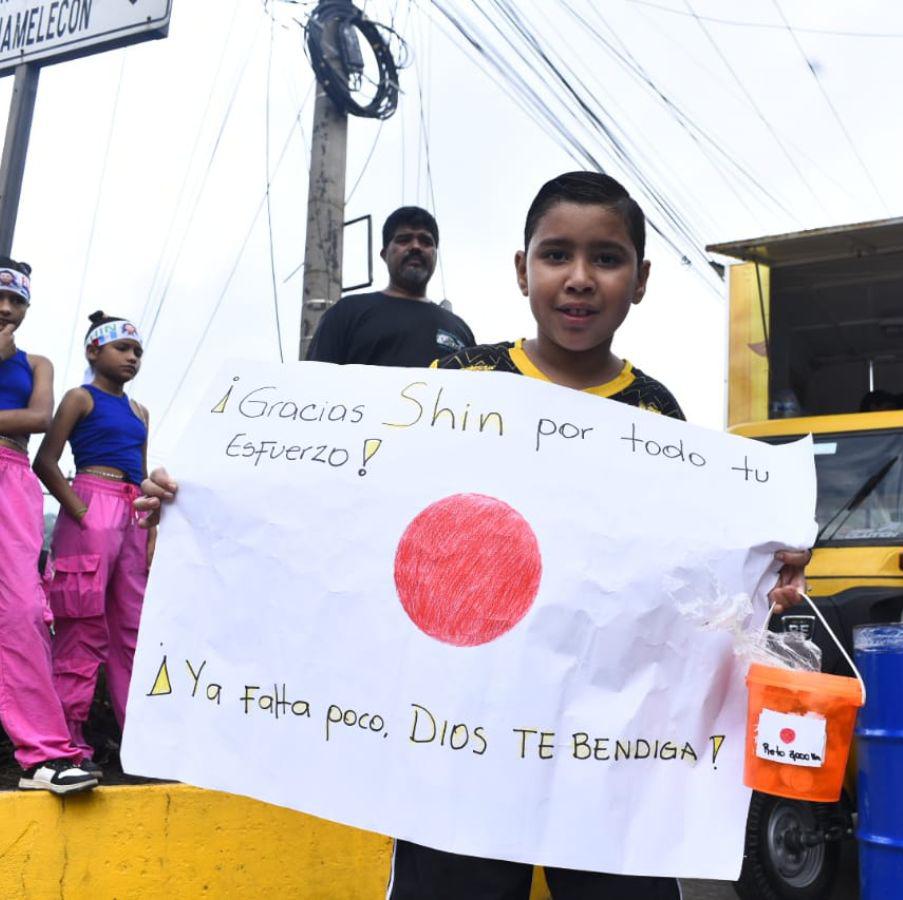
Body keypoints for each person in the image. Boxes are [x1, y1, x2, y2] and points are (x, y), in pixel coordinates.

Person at [138, 171, 811, 900]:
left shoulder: (660, 416)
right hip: (459, 750)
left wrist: (763, 577)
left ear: (641, 279)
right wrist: (200, 500)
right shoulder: (454, 383)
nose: (580, 279)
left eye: (606, 259)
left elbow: (691, 589)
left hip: (608, 758)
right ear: (522, 269)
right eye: (556, 255)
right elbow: (340, 509)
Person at [33, 311, 151, 772]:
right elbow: (46, 459)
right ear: (94, 351)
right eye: (123, 348)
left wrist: (150, 528)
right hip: (90, 500)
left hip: (134, 512)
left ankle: (141, 742)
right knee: (82, 625)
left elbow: (141, 475)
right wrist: (81, 511)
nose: (132, 357)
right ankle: (71, 743)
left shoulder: (140, 411)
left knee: (133, 630)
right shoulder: (79, 398)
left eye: (138, 351)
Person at [0, 258, 98, 794]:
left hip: (11, 478)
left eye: (18, 302)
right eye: (1, 298)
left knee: (20, 611)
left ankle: (44, 756)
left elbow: (38, 420)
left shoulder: (36, 364)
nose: (7, 309)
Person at [306, 206, 475, 367]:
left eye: (425, 241)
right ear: (384, 254)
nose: (416, 246)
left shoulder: (460, 331)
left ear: (435, 254)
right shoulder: (346, 314)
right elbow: (314, 384)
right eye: (404, 239)